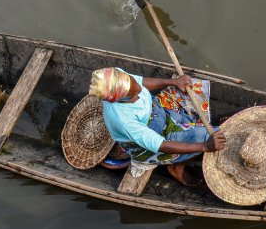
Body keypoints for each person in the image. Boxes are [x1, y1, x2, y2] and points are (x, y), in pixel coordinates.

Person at [89, 67, 226, 186]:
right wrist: (205, 147)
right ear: (121, 98)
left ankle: (188, 131)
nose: (139, 88)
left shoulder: (118, 76)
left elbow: (142, 82)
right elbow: (160, 144)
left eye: (133, 81)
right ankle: (176, 167)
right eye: (134, 92)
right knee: (206, 135)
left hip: (158, 113)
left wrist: (173, 82)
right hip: (154, 142)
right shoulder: (124, 121)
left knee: (193, 86)